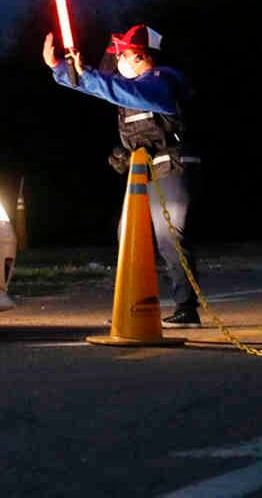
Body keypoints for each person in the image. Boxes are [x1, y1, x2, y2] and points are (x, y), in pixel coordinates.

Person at [42, 24, 202, 327]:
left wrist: (86, 74)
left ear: (142, 56)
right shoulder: (134, 86)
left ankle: (186, 309)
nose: (118, 61)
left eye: (124, 55)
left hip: (174, 165)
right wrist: (59, 68)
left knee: (170, 239)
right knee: (127, 234)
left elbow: (118, 89)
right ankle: (135, 304)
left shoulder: (162, 80)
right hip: (146, 168)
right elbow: (100, 86)